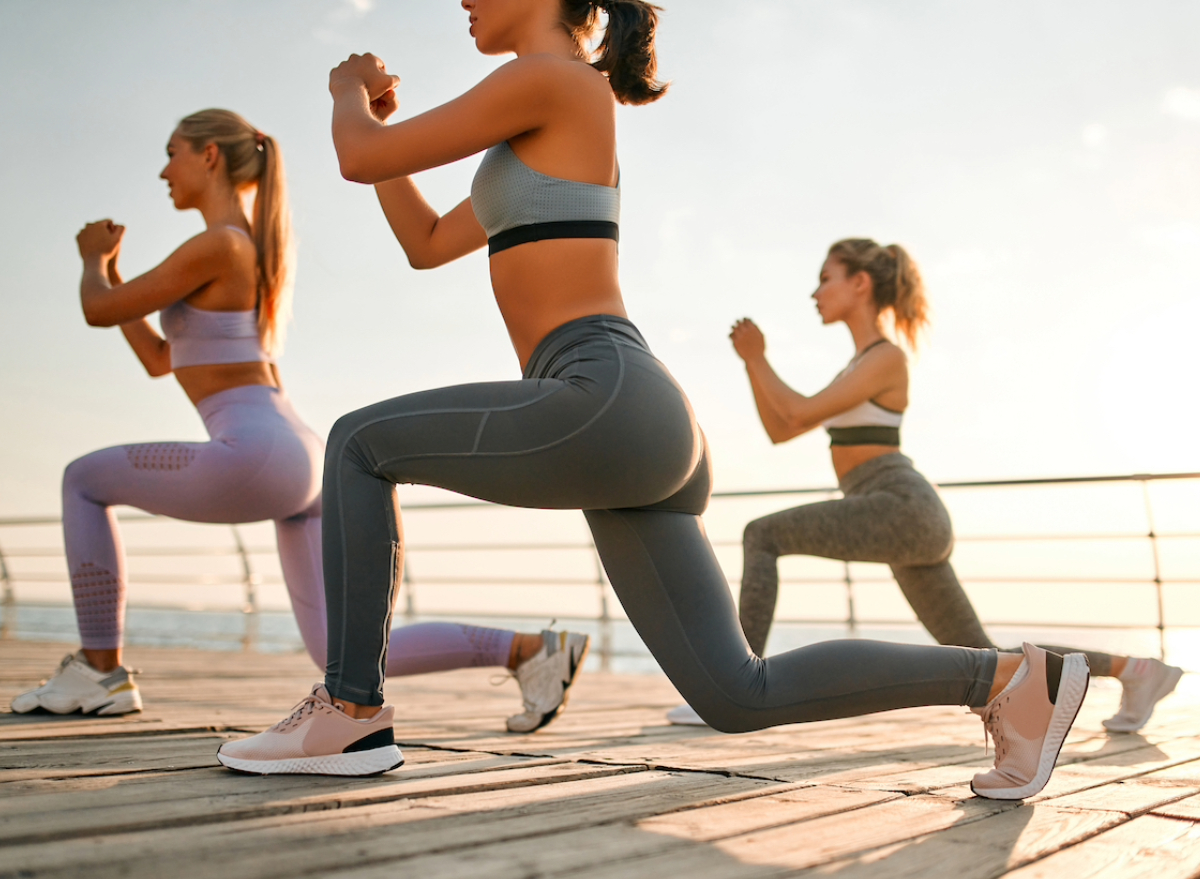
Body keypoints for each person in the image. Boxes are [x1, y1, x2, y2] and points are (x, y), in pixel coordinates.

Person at [218, 0, 1089, 802]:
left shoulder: (550, 78)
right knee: (736, 694)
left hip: (601, 389)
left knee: (359, 443)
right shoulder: (540, 117)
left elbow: (358, 152)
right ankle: (1009, 680)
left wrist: (346, 93)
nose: (462, 0)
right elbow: (425, 239)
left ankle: (350, 708)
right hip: (628, 414)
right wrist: (374, 126)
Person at [10, 109, 588, 735]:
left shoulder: (219, 244)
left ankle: (101, 671)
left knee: (81, 480)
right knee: (335, 647)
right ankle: (532, 651)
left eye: (172, 152)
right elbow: (158, 359)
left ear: (209, 157)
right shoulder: (246, 251)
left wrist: (94, 260)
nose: (162, 170)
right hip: (295, 455)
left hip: (256, 451)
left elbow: (97, 309)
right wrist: (120, 278)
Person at [667, 239, 1181, 733]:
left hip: (899, 503)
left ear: (861, 283)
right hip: (889, 509)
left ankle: (728, 686)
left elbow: (797, 411)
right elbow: (784, 428)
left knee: (762, 533)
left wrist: (757, 357)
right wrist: (751, 362)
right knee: (987, 654)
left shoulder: (885, 359)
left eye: (826, 279)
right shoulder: (856, 366)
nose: (815, 292)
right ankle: (1137, 671)